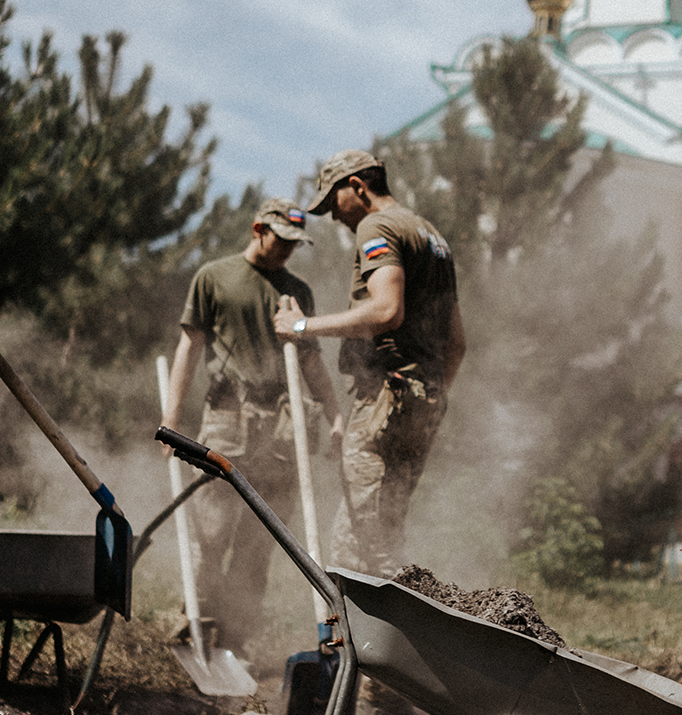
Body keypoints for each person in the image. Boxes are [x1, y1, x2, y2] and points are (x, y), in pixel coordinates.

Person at [159, 197, 340, 654]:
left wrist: (335, 414)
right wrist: (171, 417)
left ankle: (235, 638)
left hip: (280, 428)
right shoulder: (214, 277)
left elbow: (311, 361)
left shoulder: (297, 291)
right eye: (282, 240)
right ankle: (196, 621)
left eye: (295, 244)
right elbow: (189, 346)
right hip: (227, 419)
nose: (288, 250)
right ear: (258, 229)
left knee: (260, 540)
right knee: (211, 530)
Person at [273, 150, 466, 579]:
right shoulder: (433, 237)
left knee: (363, 544)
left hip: (385, 397)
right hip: (424, 398)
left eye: (333, 202)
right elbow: (456, 344)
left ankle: (385, 622)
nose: (333, 215)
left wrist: (301, 326)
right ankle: (384, 620)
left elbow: (386, 311)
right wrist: (429, 396)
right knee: (381, 532)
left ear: (358, 187)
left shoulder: (376, 226)